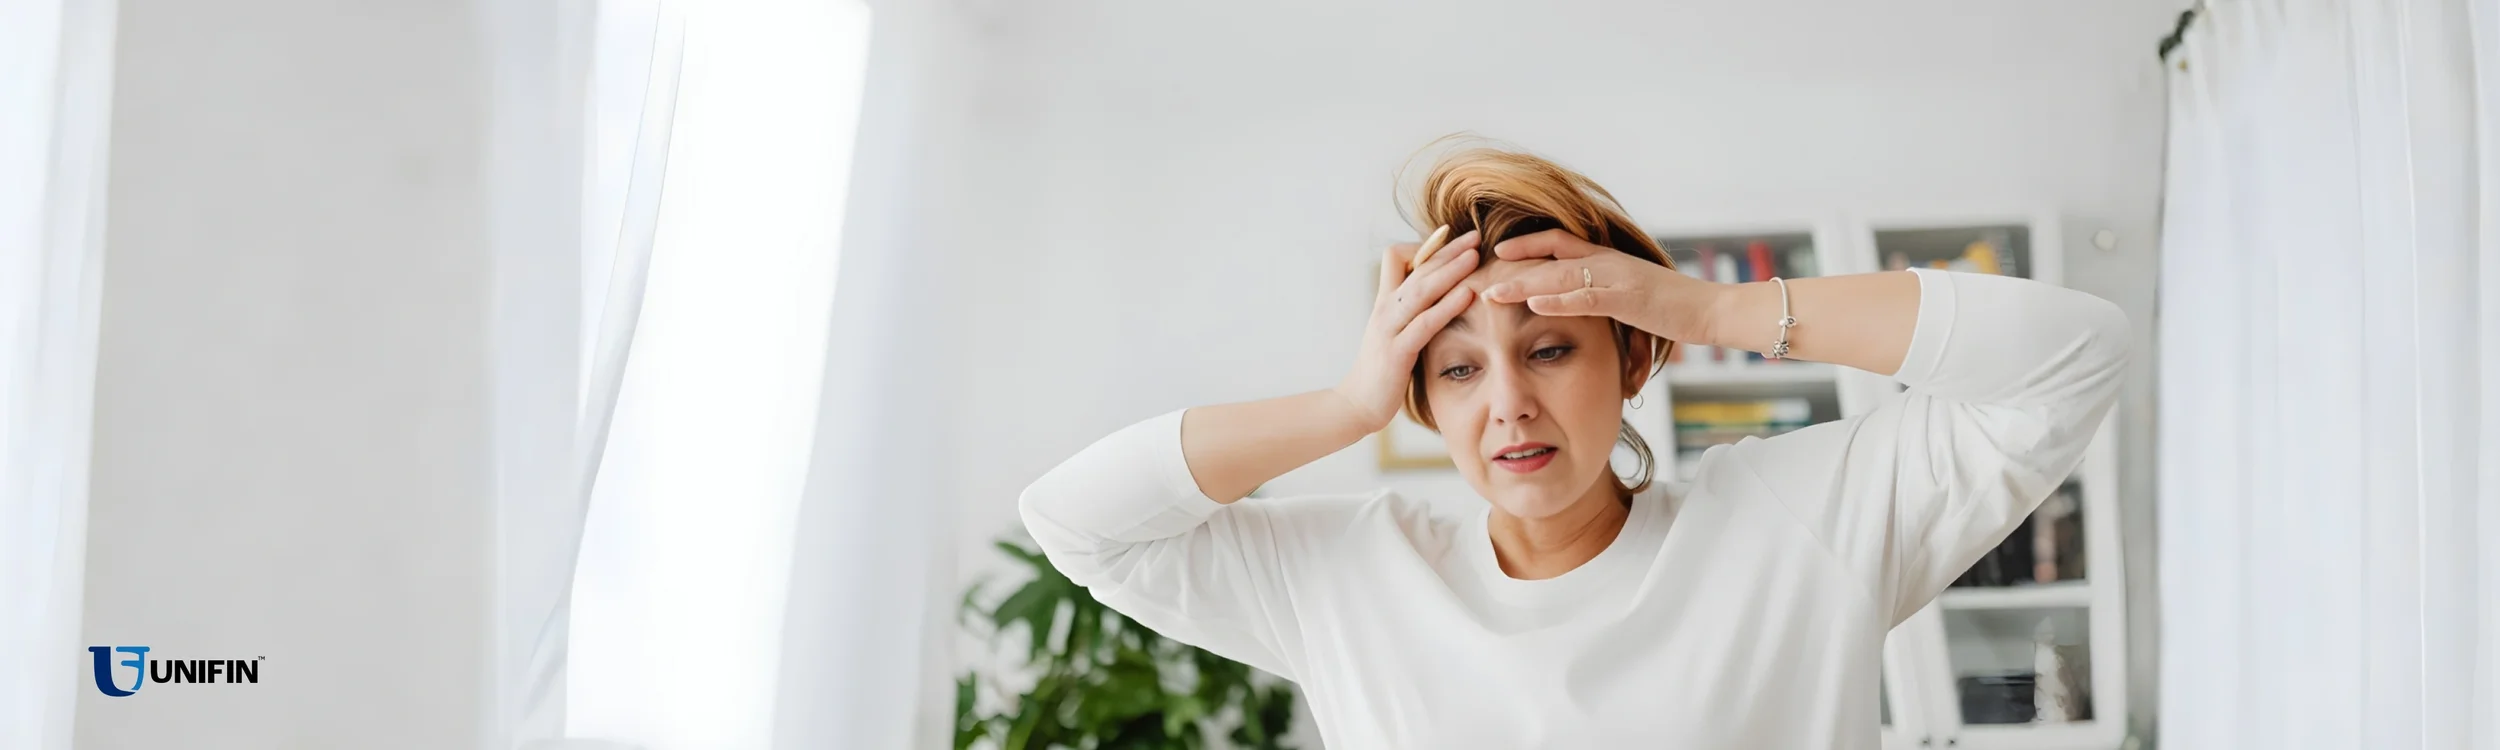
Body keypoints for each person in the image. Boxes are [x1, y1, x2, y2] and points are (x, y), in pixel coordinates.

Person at [1018, 142, 2129, 748]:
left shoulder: (1798, 525)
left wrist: (1707, 311)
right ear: (1426, 403)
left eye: (1549, 350)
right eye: (1455, 369)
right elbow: (1077, 522)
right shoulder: (1350, 577)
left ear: (1631, 363)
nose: (1506, 403)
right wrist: (1351, 403)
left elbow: (2072, 354)